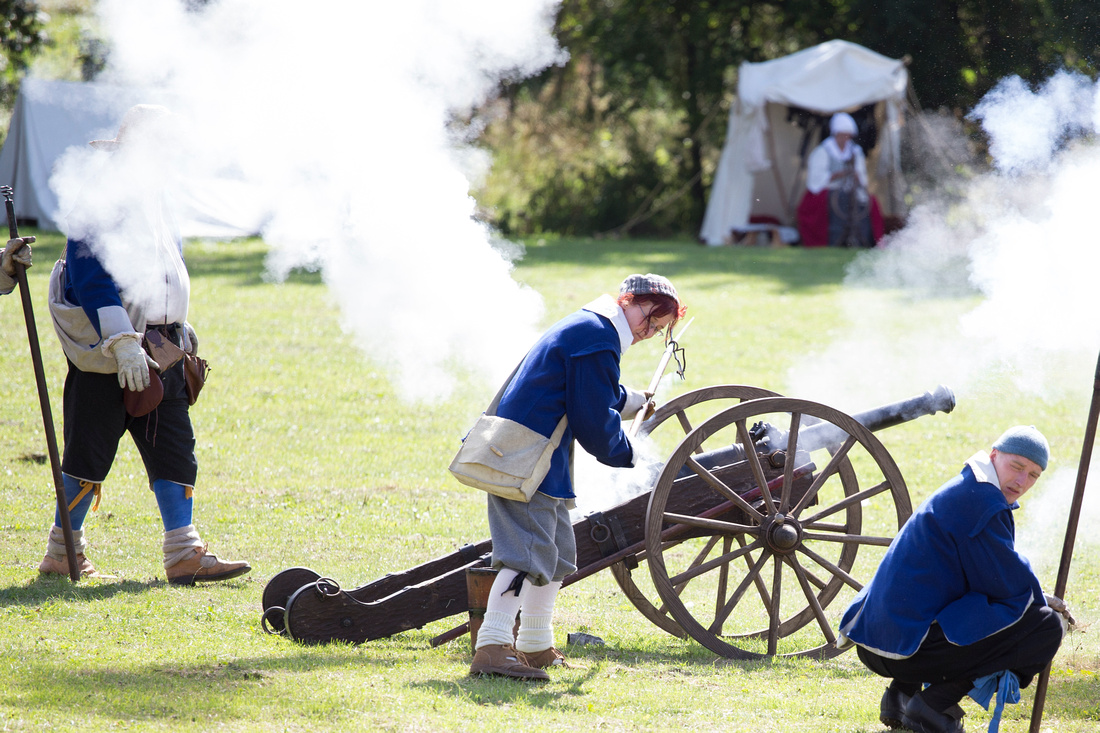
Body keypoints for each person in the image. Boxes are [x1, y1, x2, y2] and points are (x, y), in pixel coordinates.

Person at [37, 104, 250, 585]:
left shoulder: (155, 195)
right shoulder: (100, 199)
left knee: (175, 448)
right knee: (87, 456)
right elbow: (91, 280)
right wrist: (122, 344)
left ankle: (184, 552)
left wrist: (178, 321)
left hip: (163, 348)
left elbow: (162, 267)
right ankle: (62, 552)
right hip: (112, 351)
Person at [468, 273, 686, 680]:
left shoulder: (594, 328)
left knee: (557, 553)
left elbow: (592, 389)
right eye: (648, 318)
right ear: (627, 300)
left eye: (657, 329)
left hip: (543, 456)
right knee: (524, 554)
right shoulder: (600, 335)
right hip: (524, 453)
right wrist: (625, 452)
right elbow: (590, 416)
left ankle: (534, 644)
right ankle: (492, 649)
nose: (647, 331)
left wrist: (632, 400)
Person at [838, 426, 1071, 733]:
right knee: (1045, 626)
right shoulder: (983, 503)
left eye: (1032, 475)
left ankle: (902, 694)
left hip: (874, 640)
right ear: (994, 456)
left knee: (970, 602)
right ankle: (932, 705)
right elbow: (1009, 586)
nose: (1021, 481)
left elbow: (989, 575)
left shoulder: (967, 486)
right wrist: (1045, 601)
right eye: (1017, 467)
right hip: (903, 650)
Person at [796, 112, 884, 248]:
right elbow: (815, 181)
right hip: (828, 188)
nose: (845, 138)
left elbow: (862, 176)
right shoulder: (823, 151)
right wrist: (837, 175)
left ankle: (866, 240)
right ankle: (833, 239)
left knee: (871, 202)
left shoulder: (855, 151)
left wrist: (857, 177)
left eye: (847, 135)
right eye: (842, 134)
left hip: (850, 188)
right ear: (835, 134)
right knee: (826, 202)